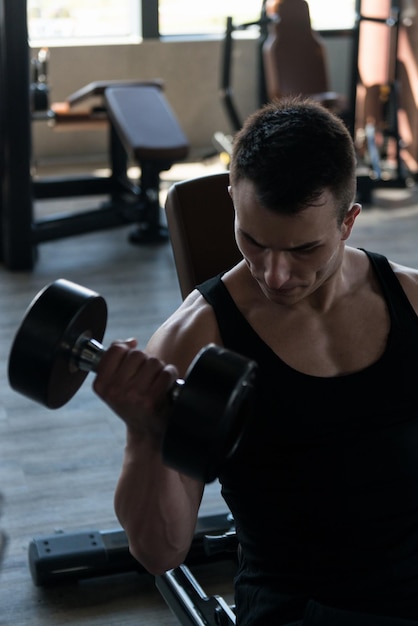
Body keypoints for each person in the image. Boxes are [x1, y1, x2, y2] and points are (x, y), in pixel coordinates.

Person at [92, 96, 418, 625]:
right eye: (253, 241)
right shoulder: (193, 342)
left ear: (348, 222)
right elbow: (161, 552)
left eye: (304, 250)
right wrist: (144, 432)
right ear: (233, 202)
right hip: (301, 610)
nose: (275, 275)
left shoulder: (411, 301)